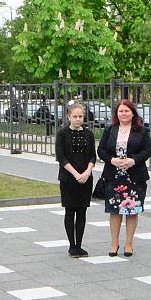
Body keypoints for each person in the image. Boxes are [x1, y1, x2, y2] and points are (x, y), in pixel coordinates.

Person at [97, 98, 151, 257]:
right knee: (115, 211)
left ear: (133, 113)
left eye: (127, 111)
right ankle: (114, 243)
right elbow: (101, 150)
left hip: (134, 175)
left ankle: (129, 243)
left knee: (131, 210)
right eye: (121, 111)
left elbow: (148, 150)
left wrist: (133, 161)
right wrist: (112, 160)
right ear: (116, 113)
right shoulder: (110, 129)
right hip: (113, 175)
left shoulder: (141, 130)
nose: (124, 114)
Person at [56, 100, 97, 257]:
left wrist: (87, 172)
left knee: (82, 211)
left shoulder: (88, 134)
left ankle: (79, 244)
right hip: (68, 178)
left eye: (81, 116)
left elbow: (93, 156)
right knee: (70, 210)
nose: (78, 119)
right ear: (68, 116)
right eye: (75, 116)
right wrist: (76, 174)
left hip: (85, 178)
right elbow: (61, 157)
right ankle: (71, 245)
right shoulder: (62, 133)